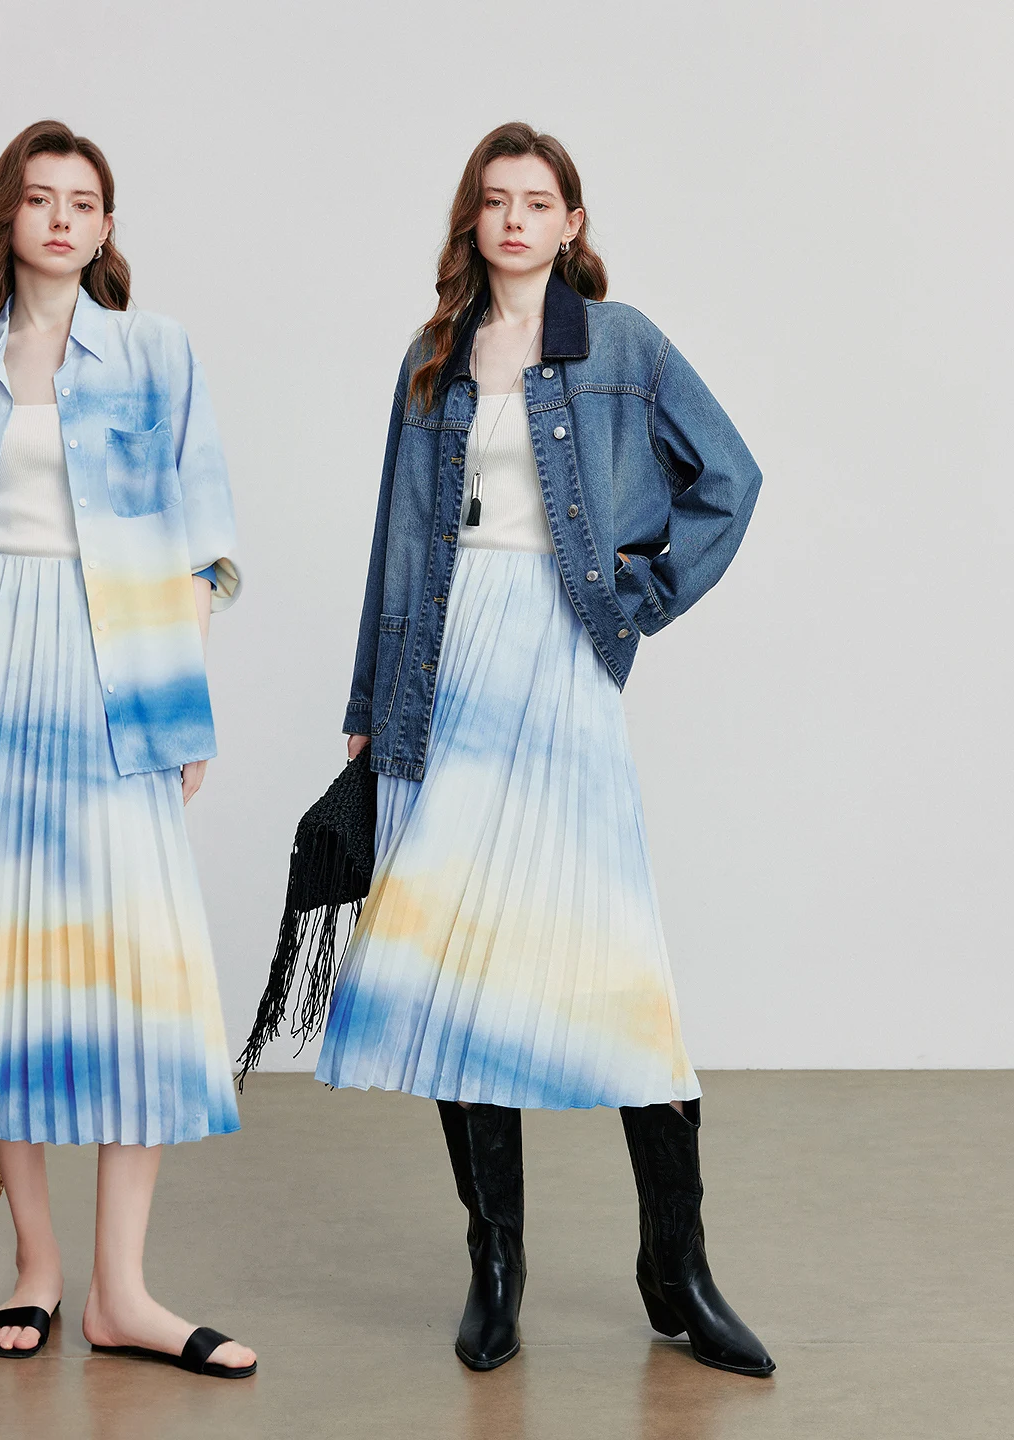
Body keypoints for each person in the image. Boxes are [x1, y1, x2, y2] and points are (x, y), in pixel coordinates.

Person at [316, 122, 773, 1378]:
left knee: (618, 964)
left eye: (538, 201)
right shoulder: (432, 357)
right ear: (473, 220)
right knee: (455, 969)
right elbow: (395, 537)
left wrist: (639, 596)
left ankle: (676, 1271)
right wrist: (371, 700)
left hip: (562, 658)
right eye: (495, 200)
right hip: (445, 661)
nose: (515, 219)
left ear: (572, 222)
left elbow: (730, 479)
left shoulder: (621, 345)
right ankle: (496, 1267)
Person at [0, 119, 255, 1379]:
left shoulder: (156, 353)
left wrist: (180, 697)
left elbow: (204, 542)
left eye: (81, 202)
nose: (59, 219)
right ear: (9, 216)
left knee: (133, 977)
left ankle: (124, 1292)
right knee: (1, 978)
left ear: (105, 226)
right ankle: (38, 1271)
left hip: (118, 674)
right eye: (38, 199)